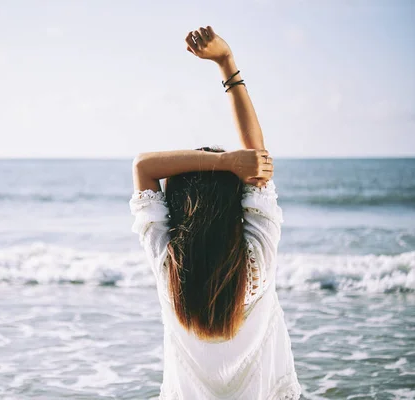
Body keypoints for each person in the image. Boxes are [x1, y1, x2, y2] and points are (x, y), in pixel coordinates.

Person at [129, 26, 301, 399]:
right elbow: (259, 161)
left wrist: (223, 163)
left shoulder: (168, 267)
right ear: (233, 201)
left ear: (176, 207)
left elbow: (143, 167)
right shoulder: (257, 260)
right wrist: (226, 62)